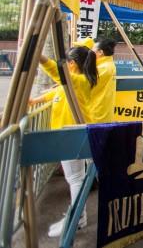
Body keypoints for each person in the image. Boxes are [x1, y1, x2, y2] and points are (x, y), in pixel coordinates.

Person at [32, 46, 98, 237]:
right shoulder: (73, 83)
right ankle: (80, 217)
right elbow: (57, 92)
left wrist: (40, 57)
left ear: (72, 64)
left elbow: (57, 73)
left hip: (72, 135)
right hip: (69, 135)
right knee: (75, 178)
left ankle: (77, 219)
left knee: (75, 178)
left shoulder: (79, 81)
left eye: (66, 63)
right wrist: (35, 100)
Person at [91, 39, 117, 123]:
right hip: (102, 112)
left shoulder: (103, 68)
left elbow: (82, 85)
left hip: (97, 114)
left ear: (100, 52)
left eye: (92, 50)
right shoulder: (107, 65)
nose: (90, 52)